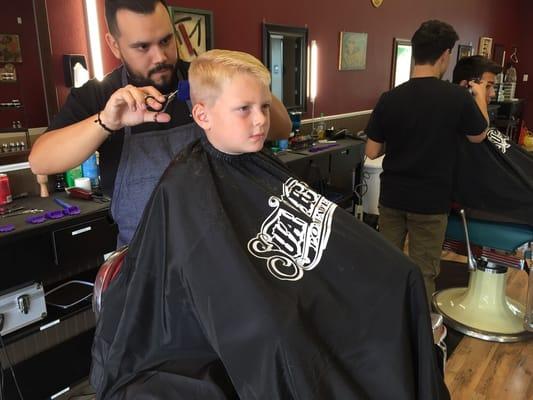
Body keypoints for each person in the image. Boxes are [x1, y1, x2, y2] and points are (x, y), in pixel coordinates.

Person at [91, 49, 449, 399]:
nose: (261, 120)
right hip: (246, 316)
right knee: (282, 336)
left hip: (289, 285)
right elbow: (215, 281)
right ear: (202, 114)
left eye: (263, 106)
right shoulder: (185, 186)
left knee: (400, 275)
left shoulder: (258, 166)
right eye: (243, 109)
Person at [28, 0, 291, 247]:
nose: (160, 57)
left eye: (166, 40)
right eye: (143, 47)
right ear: (114, 44)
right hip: (145, 263)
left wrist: (246, 78)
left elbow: (282, 128)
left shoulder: (201, 79)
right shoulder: (97, 95)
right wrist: (107, 121)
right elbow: (41, 160)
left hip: (216, 249)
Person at [364, 20, 489, 306]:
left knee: (386, 265)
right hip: (431, 202)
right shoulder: (457, 98)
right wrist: (480, 97)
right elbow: (478, 135)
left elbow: (371, 151)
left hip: (392, 198)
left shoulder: (390, 98)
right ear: (445, 55)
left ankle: (383, 322)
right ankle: (420, 335)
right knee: (424, 271)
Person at [452, 55, 533, 225]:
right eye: (487, 87)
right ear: (467, 87)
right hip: (496, 200)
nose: (493, 93)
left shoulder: (481, 124)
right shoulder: (461, 127)